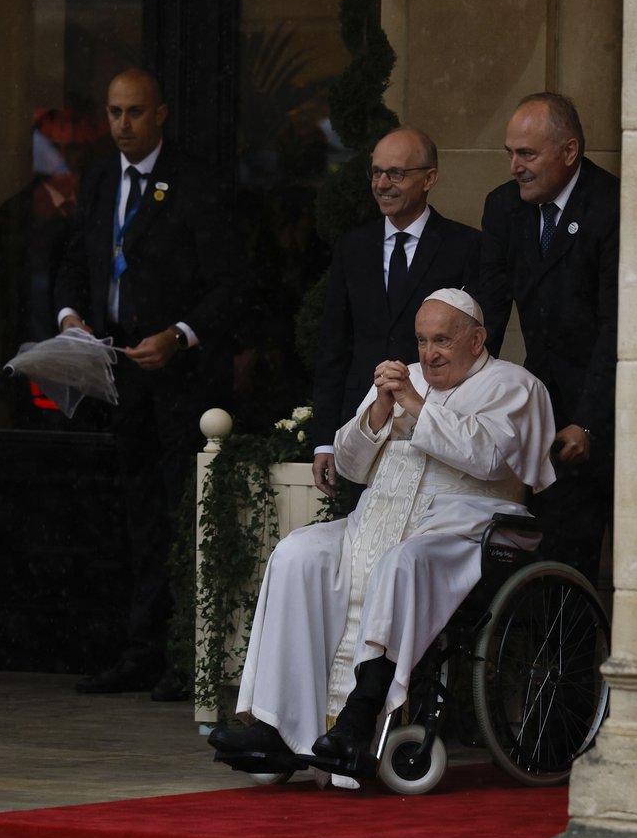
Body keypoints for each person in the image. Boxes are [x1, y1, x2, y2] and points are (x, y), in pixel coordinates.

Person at [208, 289, 556, 781]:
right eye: (421, 340)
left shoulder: (514, 386)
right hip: (374, 521)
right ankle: (275, 726)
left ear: (477, 340)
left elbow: (490, 458)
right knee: (296, 554)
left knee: (400, 563)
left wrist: (415, 406)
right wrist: (376, 415)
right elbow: (352, 465)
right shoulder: (402, 378)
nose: (428, 353)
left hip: (463, 528)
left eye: (442, 340)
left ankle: (357, 719)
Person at [55, 68, 244, 699]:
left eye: (134, 112)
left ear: (160, 114)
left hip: (181, 381)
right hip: (114, 376)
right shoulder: (101, 177)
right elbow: (75, 261)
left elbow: (230, 284)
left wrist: (180, 334)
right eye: (113, 112)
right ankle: (138, 649)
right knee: (134, 516)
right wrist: (71, 318)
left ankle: (186, 658)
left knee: (181, 512)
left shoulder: (200, 183)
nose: (122, 125)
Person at [475, 92, 618, 583]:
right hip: (541, 408)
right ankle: (536, 658)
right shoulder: (503, 208)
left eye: (527, 154)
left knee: (588, 560)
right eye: (510, 153)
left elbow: (615, 327)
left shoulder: (611, 206)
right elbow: (487, 316)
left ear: (570, 151)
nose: (515, 166)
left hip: (603, 410)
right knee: (534, 555)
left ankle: (574, 660)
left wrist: (590, 423)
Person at [310, 127, 480, 499]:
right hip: (362, 427)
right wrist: (324, 440)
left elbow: (476, 348)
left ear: (429, 178)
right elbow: (333, 347)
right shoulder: (352, 247)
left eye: (396, 173)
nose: (382, 184)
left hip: (432, 425)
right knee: (356, 545)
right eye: (376, 172)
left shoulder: (465, 247)